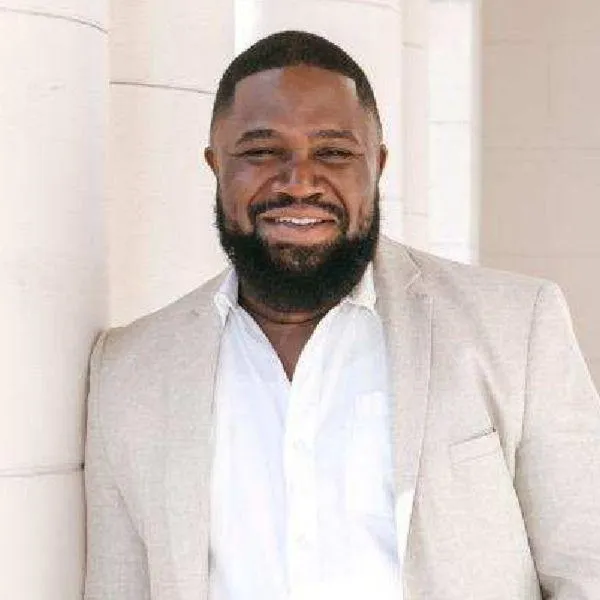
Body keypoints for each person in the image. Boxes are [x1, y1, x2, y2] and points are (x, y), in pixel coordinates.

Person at [83, 30, 600, 600]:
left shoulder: (515, 327)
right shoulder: (128, 371)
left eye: (333, 152)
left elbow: (587, 567)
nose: (299, 181)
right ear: (216, 165)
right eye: (261, 151)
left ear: (377, 165)